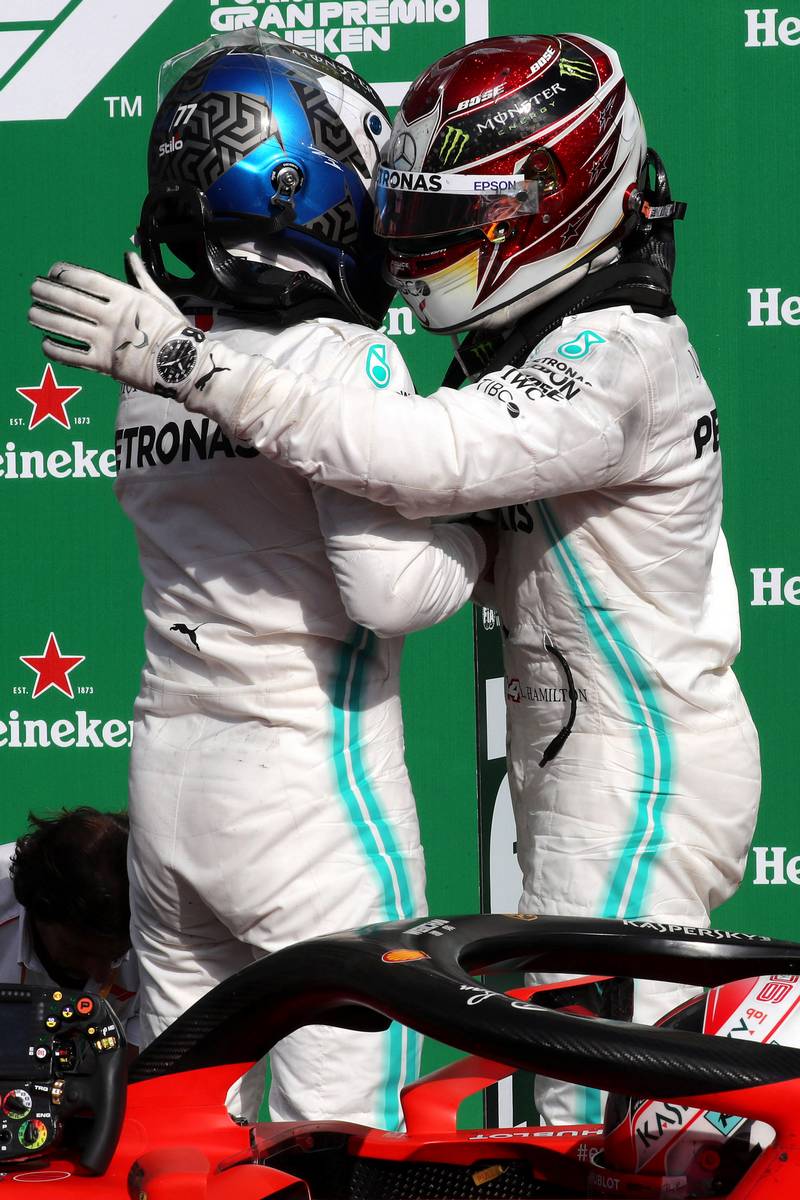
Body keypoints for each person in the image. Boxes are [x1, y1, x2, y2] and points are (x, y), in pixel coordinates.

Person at [29, 32, 760, 1124]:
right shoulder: (513, 345)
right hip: (546, 769)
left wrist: (189, 363)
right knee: (499, 1118)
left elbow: (420, 460)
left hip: (636, 776)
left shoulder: (619, 353)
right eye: (413, 218)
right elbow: (403, 541)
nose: (421, 250)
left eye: (455, 223)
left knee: (593, 1116)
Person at [30, 30, 485, 1126]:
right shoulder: (341, 357)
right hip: (306, 788)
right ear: (305, 178)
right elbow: (394, 591)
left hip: (169, 777)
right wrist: (478, 520)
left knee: (184, 1132)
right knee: (343, 1140)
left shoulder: (150, 371)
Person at [0, 807, 139, 1051]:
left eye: (116, 955)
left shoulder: (165, 924)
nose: (100, 974)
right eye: (81, 951)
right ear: (36, 906)